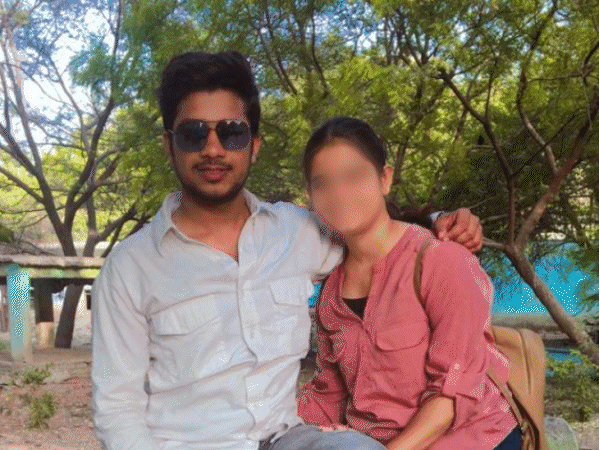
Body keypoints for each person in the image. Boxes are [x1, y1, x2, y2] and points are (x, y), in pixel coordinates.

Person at [91, 51, 483, 450]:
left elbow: (369, 226)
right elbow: (116, 406)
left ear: (254, 146)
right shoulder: (130, 268)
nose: (213, 148)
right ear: (169, 144)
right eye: (193, 133)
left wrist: (439, 219)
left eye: (231, 132)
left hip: (286, 439)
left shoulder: (296, 232)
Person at [296, 116, 521, 450]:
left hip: (468, 438)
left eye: (353, 176)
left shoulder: (441, 261)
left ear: (385, 178)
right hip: (375, 441)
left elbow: (452, 392)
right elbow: (329, 392)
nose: (339, 194)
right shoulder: (330, 290)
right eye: (323, 183)